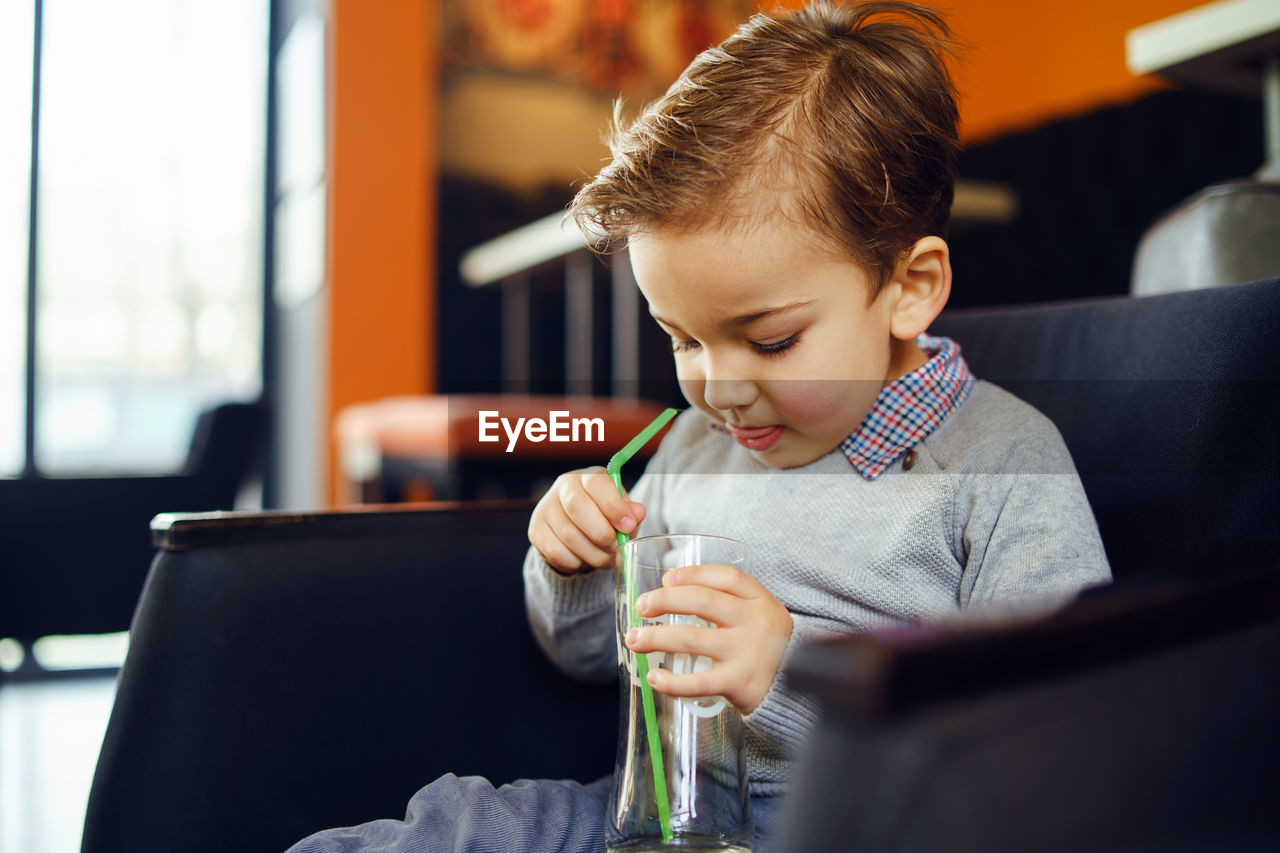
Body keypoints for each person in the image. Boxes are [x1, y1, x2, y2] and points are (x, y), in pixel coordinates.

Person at [288, 2, 1111, 851]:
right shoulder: (689, 446)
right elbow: (582, 655)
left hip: (863, 829)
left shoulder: (1003, 467)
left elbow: (1049, 740)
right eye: (681, 337)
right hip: (646, 811)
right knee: (449, 826)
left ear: (911, 286)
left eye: (771, 340)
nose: (716, 387)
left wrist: (794, 676)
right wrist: (577, 565)